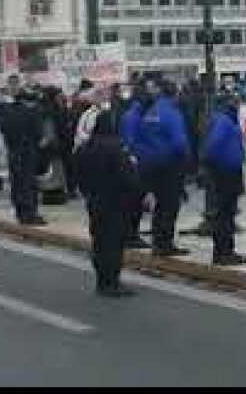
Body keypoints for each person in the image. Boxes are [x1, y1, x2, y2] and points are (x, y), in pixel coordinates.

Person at [121, 77, 191, 257]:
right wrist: (185, 158)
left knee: (159, 205)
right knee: (169, 204)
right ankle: (164, 243)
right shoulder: (172, 112)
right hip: (170, 164)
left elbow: (140, 139)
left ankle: (157, 241)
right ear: (174, 94)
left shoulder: (150, 112)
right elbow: (179, 141)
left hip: (150, 164)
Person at [74, 108, 140, 298]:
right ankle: (112, 282)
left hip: (94, 200)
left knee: (99, 241)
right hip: (116, 203)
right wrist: (138, 195)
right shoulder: (117, 148)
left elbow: (77, 173)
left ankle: (102, 280)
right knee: (114, 243)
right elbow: (128, 177)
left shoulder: (85, 148)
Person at [201, 93, 246, 267]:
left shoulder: (223, 120)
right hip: (226, 171)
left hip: (226, 169)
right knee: (225, 212)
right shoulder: (224, 121)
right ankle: (224, 252)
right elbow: (213, 146)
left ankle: (225, 250)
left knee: (226, 212)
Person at [0, 90, 47, 226]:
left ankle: (20, 211)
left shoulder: (6, 112)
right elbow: (39, 134)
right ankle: (30, 214)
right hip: (27, 151)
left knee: (17, 181)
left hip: (12, 150)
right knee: (28, 182)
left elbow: (2, 129)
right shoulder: (31, 113)